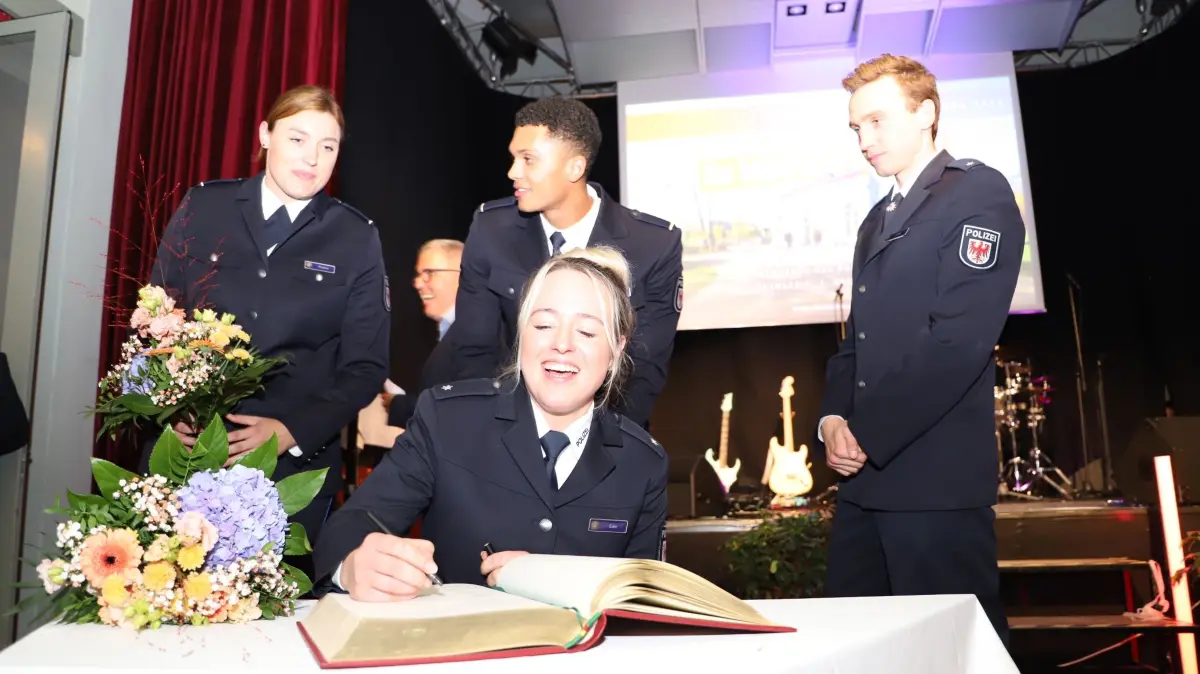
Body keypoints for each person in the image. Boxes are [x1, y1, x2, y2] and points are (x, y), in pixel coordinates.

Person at [312, 246, 669, 600]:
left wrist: (554, 578)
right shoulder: (449, 421)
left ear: (616, 350)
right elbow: (348, 529)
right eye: (544, 324)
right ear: (521, 336)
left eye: (587, 333)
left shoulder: (642, 463)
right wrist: (351, 565)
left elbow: (644, 601)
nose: (562, 344)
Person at [815, 54, 1023, 645]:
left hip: (934, 486)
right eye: (857, 128)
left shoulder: (977, 192)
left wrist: (866, 432)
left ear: (927, 113)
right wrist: (832, 420)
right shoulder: (876, 220)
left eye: (877, 122)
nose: (864, 140)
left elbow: (957, 340)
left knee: (953, 651)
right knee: (859, 649)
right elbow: (855, 344)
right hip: (865, 485)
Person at [138, 85, 390, 556]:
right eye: (297, 139)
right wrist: (168, 410)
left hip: (288, 474)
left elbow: (366, 366)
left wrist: (291, 430)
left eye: (327, 146)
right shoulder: (205, 207)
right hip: (183, 453)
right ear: (265, 135)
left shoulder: (355, 238)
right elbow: (156, 320)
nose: (312, 158)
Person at [448, 96, 683, 429]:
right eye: (514, 157)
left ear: (575, 167)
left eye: (528, 159)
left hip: (609, 437)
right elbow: (474, 352)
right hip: (508, 430)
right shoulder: (491, 230)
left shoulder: (653, 246)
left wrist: (585, 447)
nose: (513, 172)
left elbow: (643, 369)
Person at [383, 239, 464, 429]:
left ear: (463, 275)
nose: (418, 284)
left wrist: (399, 405)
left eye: (429, 273)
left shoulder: (481, 337)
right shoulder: (448, 331)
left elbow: (460, 412)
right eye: (418, 275)